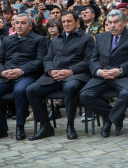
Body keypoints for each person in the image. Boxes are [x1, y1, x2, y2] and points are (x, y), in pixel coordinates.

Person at [26, 11, 95, 141]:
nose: (66, 24)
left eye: (69, 21)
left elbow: (89, 61)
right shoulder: (57, 39)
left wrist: (70, 71)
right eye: (63, 22)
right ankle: (45, 126)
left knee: (70, 88)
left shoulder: (86, 39)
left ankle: (70, 126)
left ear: (77, 22)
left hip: (74, 75)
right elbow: (47, 59)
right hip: (54, 75)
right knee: (31, 90)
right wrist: (51, 71)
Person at [79, 10, 128, 138]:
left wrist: (119, 70)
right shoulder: (101, 37)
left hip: (125, 76)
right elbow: (93, 59)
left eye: (116, 22)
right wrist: (99, 71)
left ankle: (108, 120)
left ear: (124, 22)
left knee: (127, 94)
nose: (112, 25)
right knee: (85, 95)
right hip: (103, 75)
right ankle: (116, 116)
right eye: (110, 22)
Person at [0, 14, 48, 142]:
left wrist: (22, 70)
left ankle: (20, 126)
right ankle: (0, 127)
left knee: (20, 91)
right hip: (6, 76)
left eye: (23, 23)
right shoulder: (8, 40)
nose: (19, 25)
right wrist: (2, 72)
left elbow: (40, 61)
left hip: (26, 75)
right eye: (17, 23)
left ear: (30, 26)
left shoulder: (39, 39)